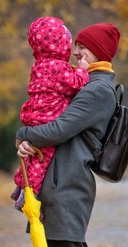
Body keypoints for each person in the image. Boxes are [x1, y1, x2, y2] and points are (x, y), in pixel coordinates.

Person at [17, 23, 121, 247]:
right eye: (75, 45)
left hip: (68, 184)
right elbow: (51, 121)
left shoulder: (96, 90)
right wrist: (28, 140)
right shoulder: (89, 86)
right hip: (65, 181)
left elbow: (60, 128)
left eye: (83, 48)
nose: (76, 53)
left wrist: (24, 134)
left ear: (99, 54)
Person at [12, 17, 90, 210]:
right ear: (60, 43)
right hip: (49, 115)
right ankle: (30, 196)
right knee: (41, 158)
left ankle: (21, 187)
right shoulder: (58, 67)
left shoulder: (39, 65)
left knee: (31, 156)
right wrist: (82, 70)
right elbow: (76, 84)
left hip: (36, 114)